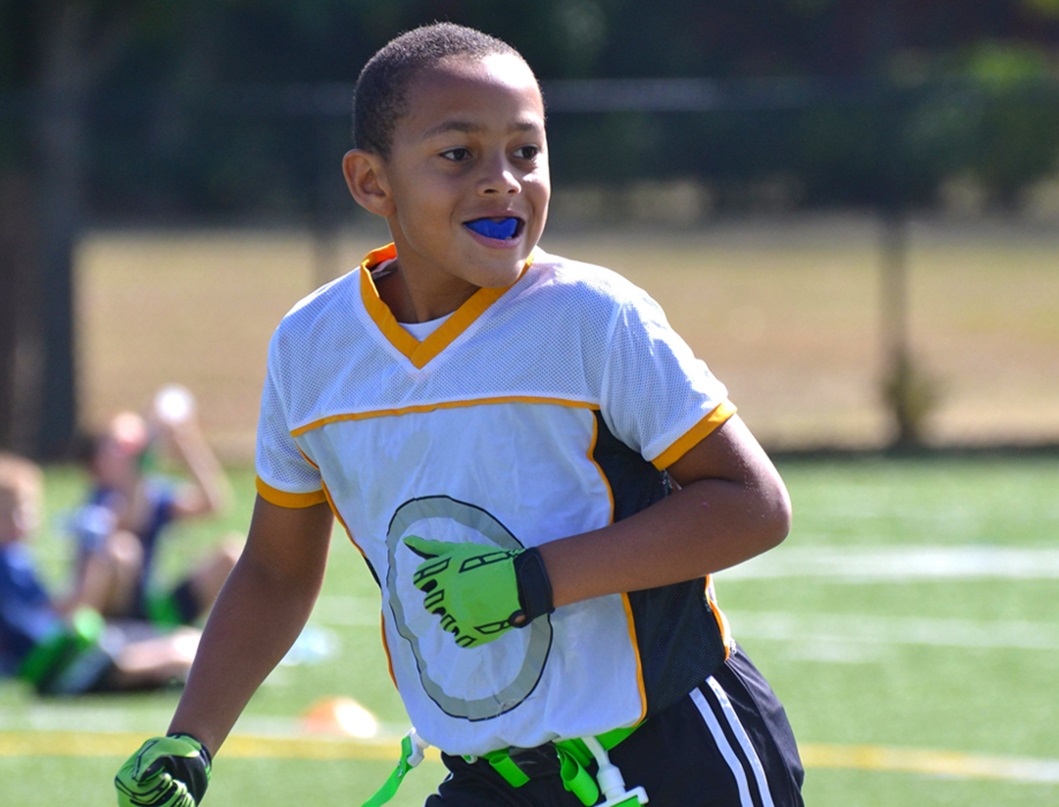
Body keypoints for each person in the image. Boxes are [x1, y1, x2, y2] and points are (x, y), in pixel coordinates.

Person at [115, 21, 804, 807]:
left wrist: (532, 580)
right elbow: (275, 569)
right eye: (458, 154)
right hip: (490, 781)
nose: (503, 180)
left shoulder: (592, 316)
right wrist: (192, 736)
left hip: (677, 757)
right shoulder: (311, 347)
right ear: (372, 183)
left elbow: (754, 505)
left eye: (525, 151)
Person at [0, 452, 198, 696]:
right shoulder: (8, 561)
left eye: (29, 509)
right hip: (56, 665)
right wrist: (94, 561)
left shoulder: (16, 558)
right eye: (16, 512)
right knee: (181, 651)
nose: (27, 519)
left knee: (182, 644)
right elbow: (50, 622)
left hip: (60, 658)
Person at [68, 389, 241, 629]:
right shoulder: (100, 499)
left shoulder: (152, 492)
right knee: (122, 551)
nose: (134, 450)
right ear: (98, 463)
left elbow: (213, 504)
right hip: (115, 612)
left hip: (151, 606)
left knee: (232, 554)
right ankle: (106, 635)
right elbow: (127, 520)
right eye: (121, 445)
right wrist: (141, 467)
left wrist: (186, 444)